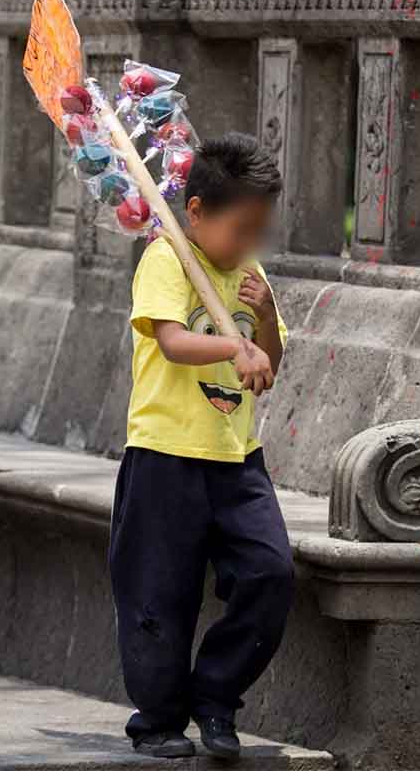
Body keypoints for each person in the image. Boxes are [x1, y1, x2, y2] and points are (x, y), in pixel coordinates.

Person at [111, 133, 294, 760]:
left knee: (271, 572)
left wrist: (263, 320)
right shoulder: (166, 257)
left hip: (236, 456)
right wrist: (231, 348)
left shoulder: (248, 273)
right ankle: (158, 720)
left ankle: (217, 697)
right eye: (239, 229)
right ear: (195, 212)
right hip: (165, 452)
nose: (247, 245)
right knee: (159, 592)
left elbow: (270, 355)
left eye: (258, 231)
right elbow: (172, 341)